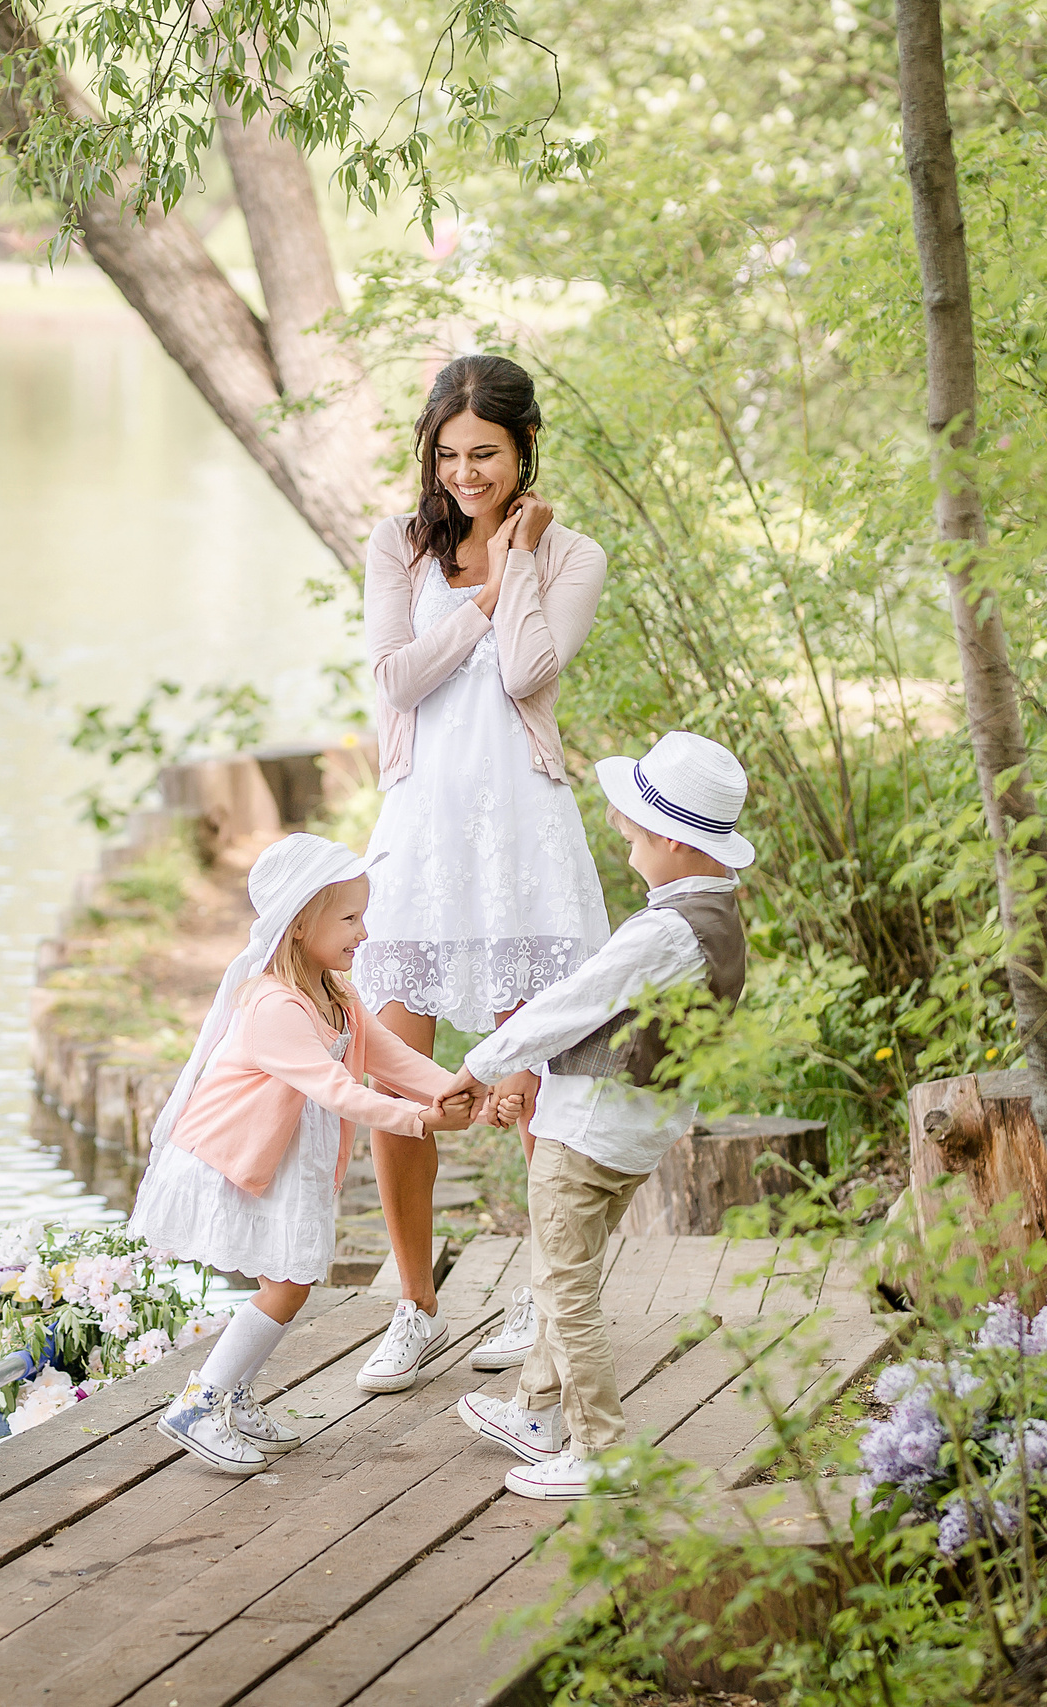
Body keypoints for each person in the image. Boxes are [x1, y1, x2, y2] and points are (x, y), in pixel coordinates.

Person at [349, 353, 612, 1395]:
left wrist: (523, 563)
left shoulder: (575, 555)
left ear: (525, 447)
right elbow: (394, 679)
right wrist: (486, 593)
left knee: (534, 1078)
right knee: (394, 1077)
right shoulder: (398, 544)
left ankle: (545, 1294)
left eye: (486, 455)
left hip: (521, 840)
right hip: (420, 835)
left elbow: (525, 673)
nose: (464, 474)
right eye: (448, 454)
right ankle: (414, 1304)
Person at [438, 732, 753, 1499]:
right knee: (565, 1271)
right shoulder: (716, 916)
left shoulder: (662, 932)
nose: (624, 841)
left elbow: (570, 1005)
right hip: (634, 1133)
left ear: (674, 842)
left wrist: (482, 1064)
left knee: (563, 1286)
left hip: (587, 1134)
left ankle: (600, 1447)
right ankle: (536, 1408)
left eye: (634, 833)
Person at [129, 834, 476, 1474]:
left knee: (285, 1280)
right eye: (349, 919)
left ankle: (231, 1397)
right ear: (297, 925)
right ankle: (198, 1405)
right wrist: (421, 1120)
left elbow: (393, 1059)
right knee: (288, 1282)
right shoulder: (273, 1006)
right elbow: (337, 1090)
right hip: (246, 1157)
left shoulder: (337, 995)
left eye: (363, 916)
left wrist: (460, 1091)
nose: (364, 933)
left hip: (288, 1157)